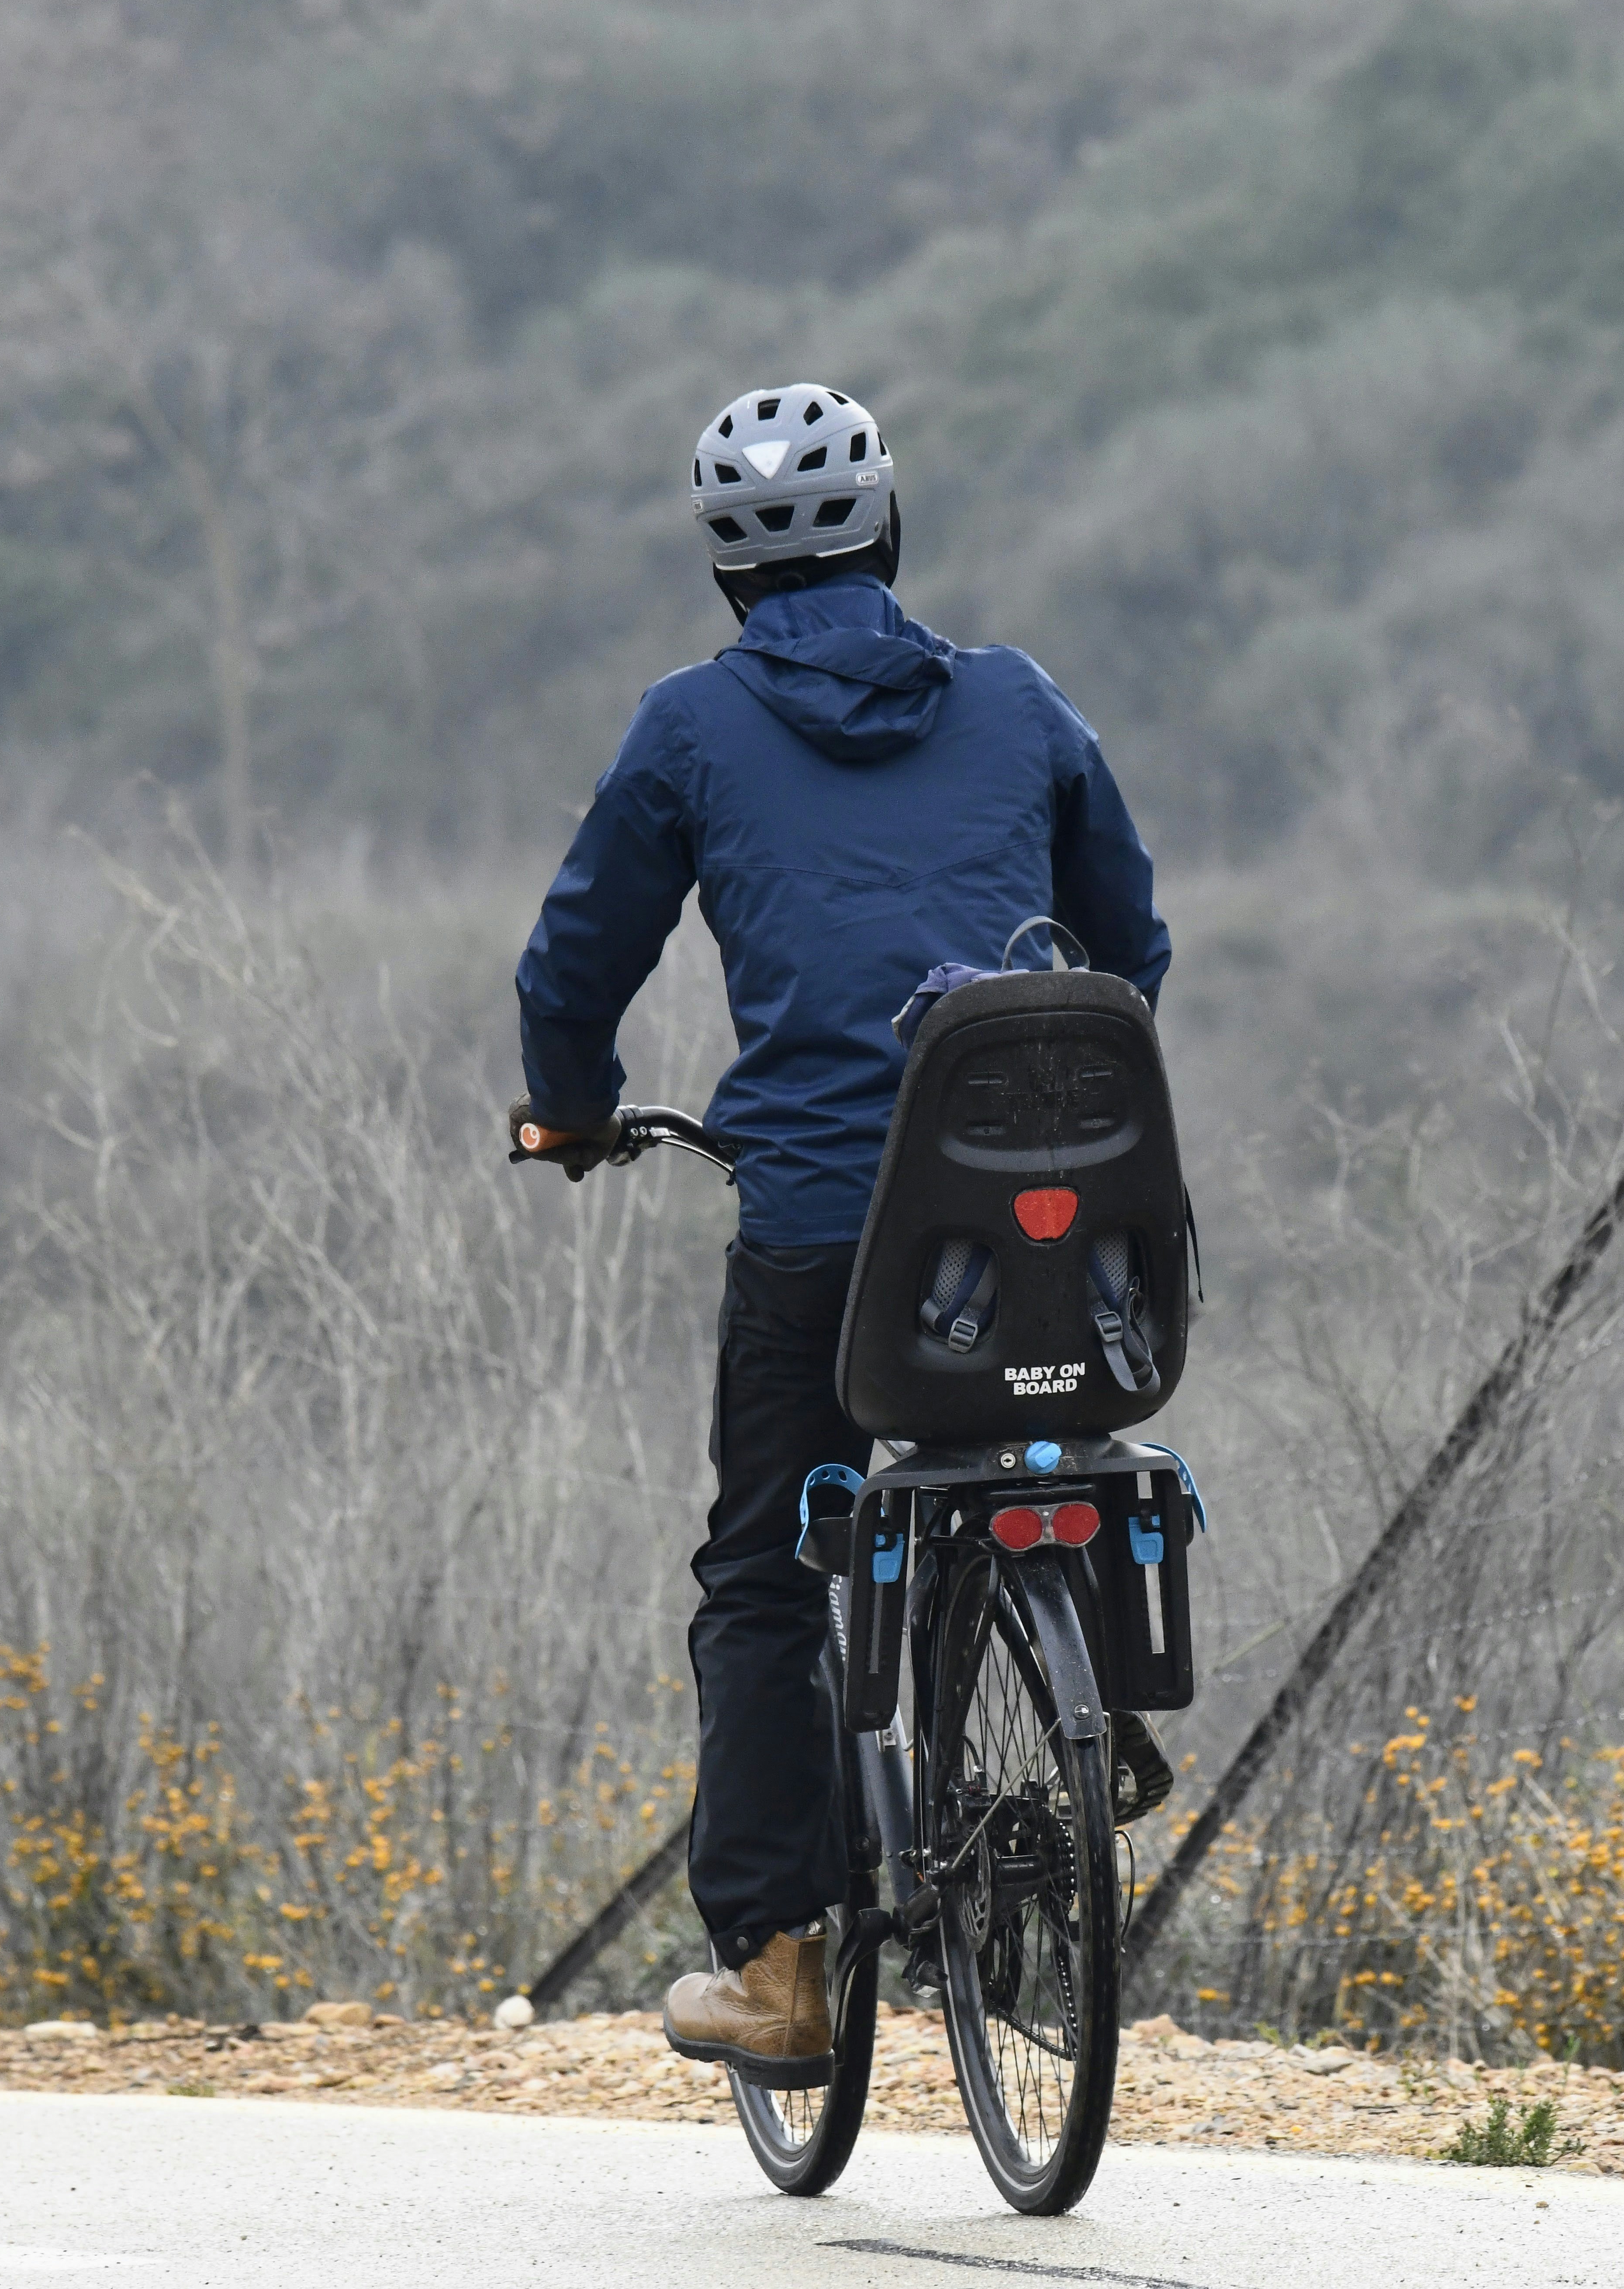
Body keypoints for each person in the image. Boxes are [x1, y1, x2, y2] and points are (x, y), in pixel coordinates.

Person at [508, 383, 1171, 2071]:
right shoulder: (1017, 701)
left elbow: (573, 965)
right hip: (1047, 1227)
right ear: (890, 529)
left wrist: (571, 1109)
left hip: (826, 1233)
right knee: (1048, 1447)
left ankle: (783, 1970)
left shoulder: (689, 728)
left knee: (762, 1574)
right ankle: (1087, 1719)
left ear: (725, 572)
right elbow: (1131, 940)